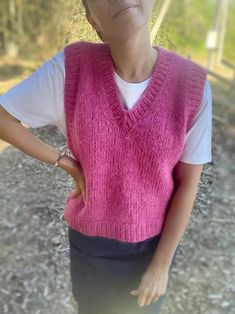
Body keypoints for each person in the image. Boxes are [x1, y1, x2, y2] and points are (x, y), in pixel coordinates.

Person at [0, 0, 212, 313]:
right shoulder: (72, 69)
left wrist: (161, 265)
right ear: (92, 19)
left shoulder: (191, 86)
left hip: (154, 245)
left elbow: (187, 186)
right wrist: (66, 163)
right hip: (92, 246)